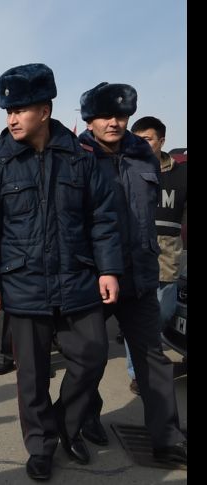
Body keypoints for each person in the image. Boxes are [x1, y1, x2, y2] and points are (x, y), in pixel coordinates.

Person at [0, 63, 123, 481]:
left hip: (77, 278)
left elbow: (103, 219)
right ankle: (40, 447)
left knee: (92, 355)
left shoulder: (81, 159)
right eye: (7, 111)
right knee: (32, 377)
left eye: (19, 109)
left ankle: (61, 426)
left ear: (45, 109)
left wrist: (108, 269)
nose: (11, 118)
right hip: (22, 283)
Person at [77, 83, 187, 466]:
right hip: (92, 278)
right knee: (89, 356)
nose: (114, 122)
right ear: (89, 119)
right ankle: (86, 415)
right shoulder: (76, 158)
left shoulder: (143, 156)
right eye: (106, 116)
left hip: (141, 274)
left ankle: (167, 438)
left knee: (153, 358)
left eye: (121, 116)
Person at [129, 116, 187, 394]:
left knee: (164, 312)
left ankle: (150, 353)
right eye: (136, 139)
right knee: (137, 319)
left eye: (147, 139)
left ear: (162, 141)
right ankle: (138, 372)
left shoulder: (180, 175)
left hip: (168, 260)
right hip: (136, 259)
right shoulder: (127, 169)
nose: (141, 144)